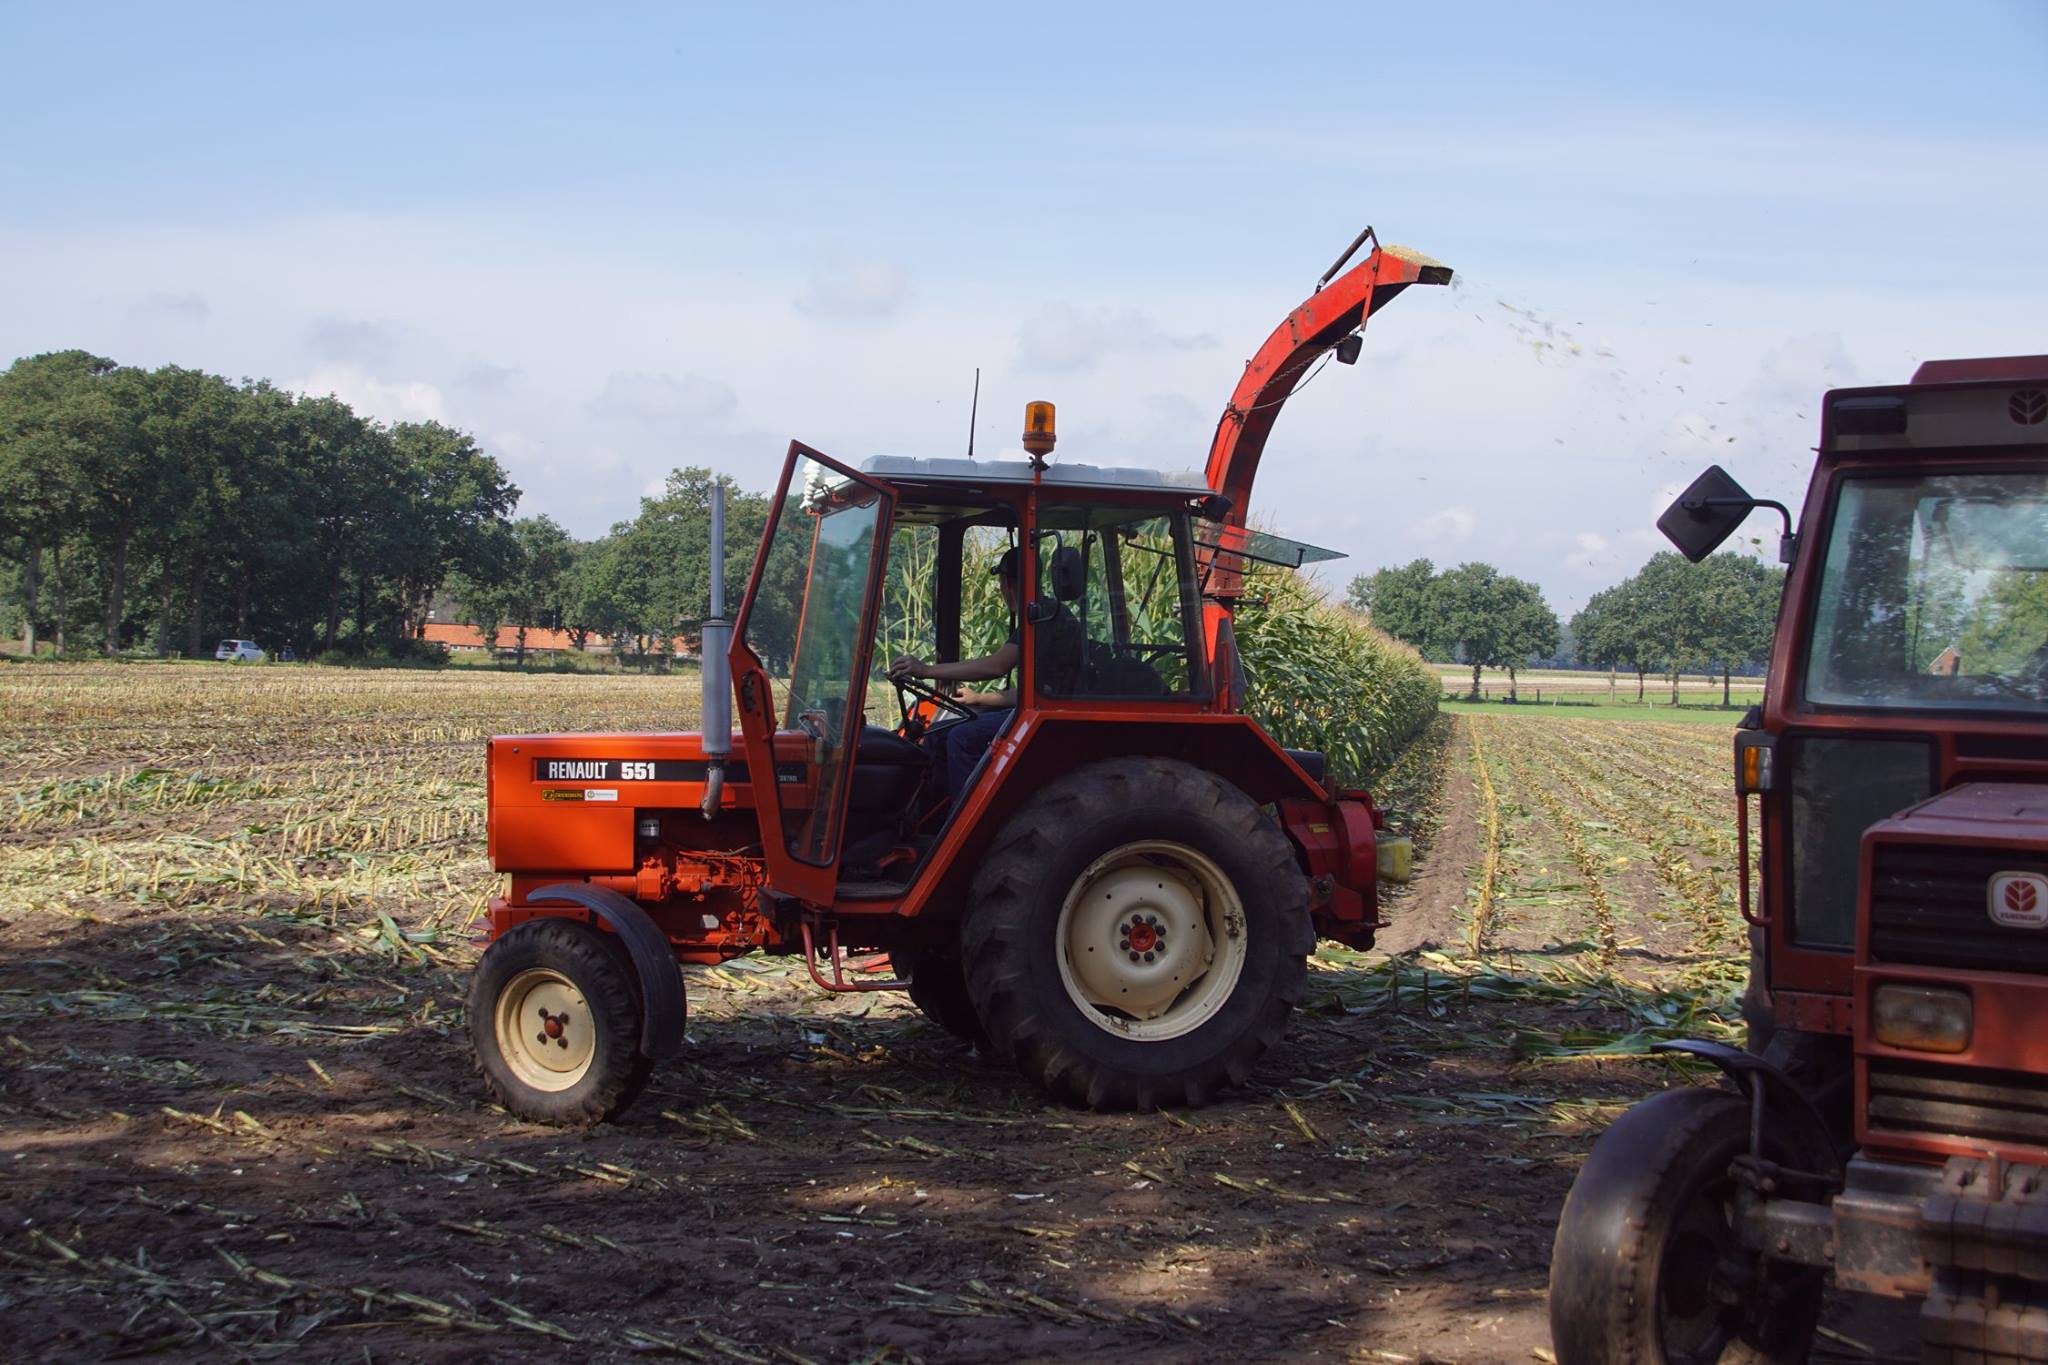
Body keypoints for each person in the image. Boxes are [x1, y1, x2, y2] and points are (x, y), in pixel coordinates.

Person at [888, 546, 1081, 804]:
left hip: (1055, 717)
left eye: (1001, 582)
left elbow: (996, 666)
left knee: (963, 738)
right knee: (939, 732)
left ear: (1007, 583)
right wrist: (979, 698)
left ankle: (963, 817)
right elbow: (1034, 691)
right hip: (1048, 707)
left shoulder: (1044, 616)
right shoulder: (1042, 613)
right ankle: (930, 814)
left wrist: (926, 670)